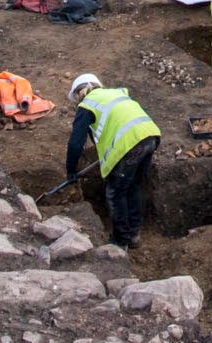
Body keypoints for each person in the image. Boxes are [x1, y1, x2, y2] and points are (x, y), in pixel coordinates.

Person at [65, 73, 161, 249]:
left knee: (116, 192)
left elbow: (75, 144)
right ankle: (133, 235)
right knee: (134, 186)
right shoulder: (117, 94)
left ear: (79, 94)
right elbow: (104, 131)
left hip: (131, 144)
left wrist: (71, 171)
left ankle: (120, 240)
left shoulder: (87, 105)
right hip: (150, 136)